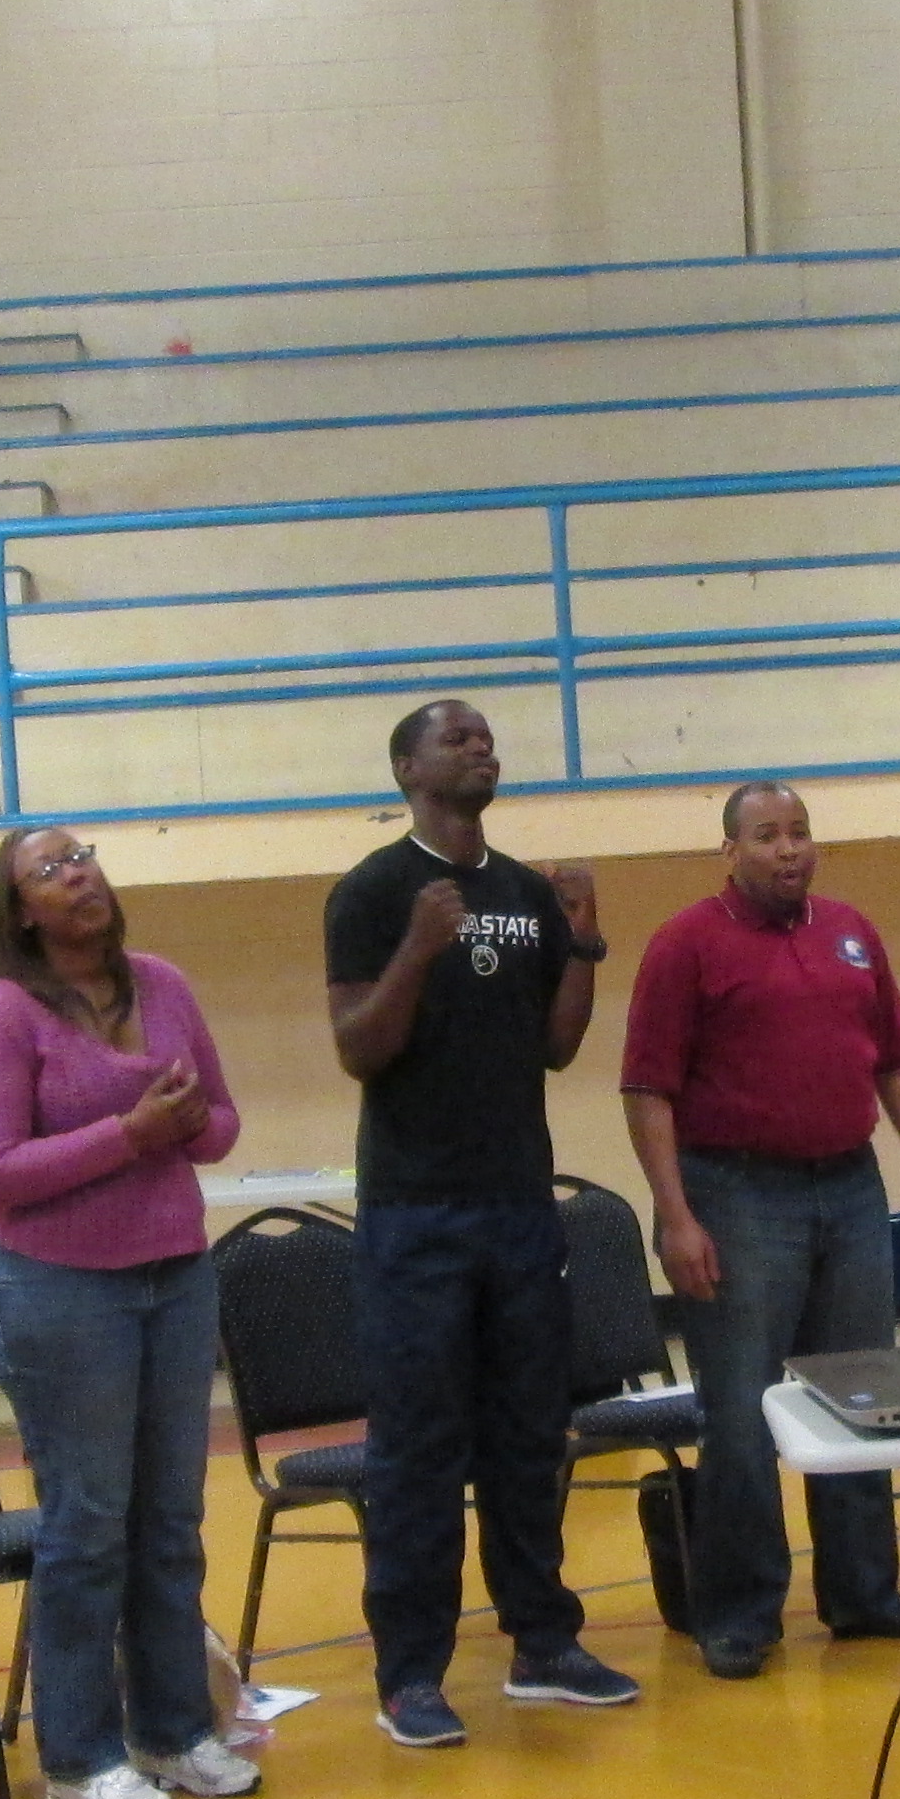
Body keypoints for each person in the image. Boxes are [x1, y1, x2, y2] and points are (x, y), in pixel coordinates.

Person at [320, 700, 637, 1746]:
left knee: (525, 1436)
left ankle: (543, 1642)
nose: (480, 748)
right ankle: (411, 1672)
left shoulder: (524, 893)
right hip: (417, 1211)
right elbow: (360, 1049)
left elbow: (557, 1045)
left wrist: (581, 940)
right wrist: (416, 948)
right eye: (456, 738)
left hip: (517, 1203)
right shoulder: (370, 893)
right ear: (408, 765)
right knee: (417, 1449)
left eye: (488, 737)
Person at [620, 782, 900, 1675]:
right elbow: (647, 1089)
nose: (789, 849)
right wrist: (675, 1217)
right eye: (768, 835)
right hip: (734, 1196)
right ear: (730, 852)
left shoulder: (852, 932)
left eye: (801, 833)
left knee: (863, 1394)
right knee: (740, 1414)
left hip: (849, 1189)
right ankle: (739, 1611)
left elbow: (897, 1063)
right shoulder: (685, 943)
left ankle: (863, 1593)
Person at [0, 826, 258, 1799]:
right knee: (86, 1527)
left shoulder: (161, 982)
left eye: (81, 855)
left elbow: (219, 1122)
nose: (77, 872)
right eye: (50, 869)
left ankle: (176, 1732)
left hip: (174, 1273)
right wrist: (132, 1133)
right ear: (21, 911)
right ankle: (80, 1758)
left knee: (169, 1522)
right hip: (59, 1286)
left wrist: (181, 1124)